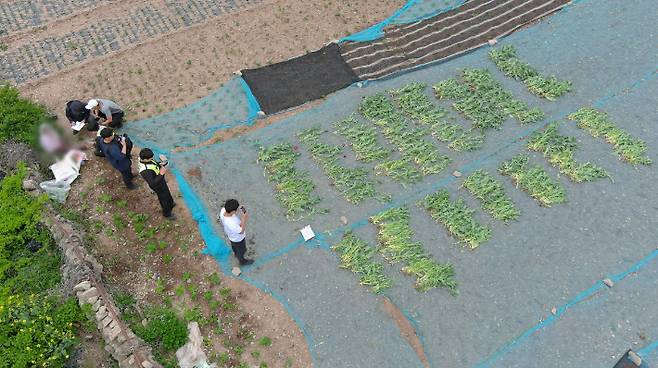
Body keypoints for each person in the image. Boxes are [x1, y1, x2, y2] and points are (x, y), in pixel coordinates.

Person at [138, 148, 176, 220]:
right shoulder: (145, 171)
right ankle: (167, 214)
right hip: (157, 185)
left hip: (161, 181)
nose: (152, 159)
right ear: (145, 159)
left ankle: (170, 203)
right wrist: (161, 174)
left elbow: (153, 164)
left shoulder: (146, 160)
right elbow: (152, 184)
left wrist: (160, 164)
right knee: (163, 198)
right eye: (150, 158)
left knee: (167, 193)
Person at [219, 199, 253, 265]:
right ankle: (242, 261)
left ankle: (236, 253)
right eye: (236, 210)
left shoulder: (223, 210)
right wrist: (244, 218)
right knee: (241, 250)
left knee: (234, 247)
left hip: (231, 237)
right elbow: (241, 231)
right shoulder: (231, 223)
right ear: (232, 212)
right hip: (238, 239)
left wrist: (238, 207)